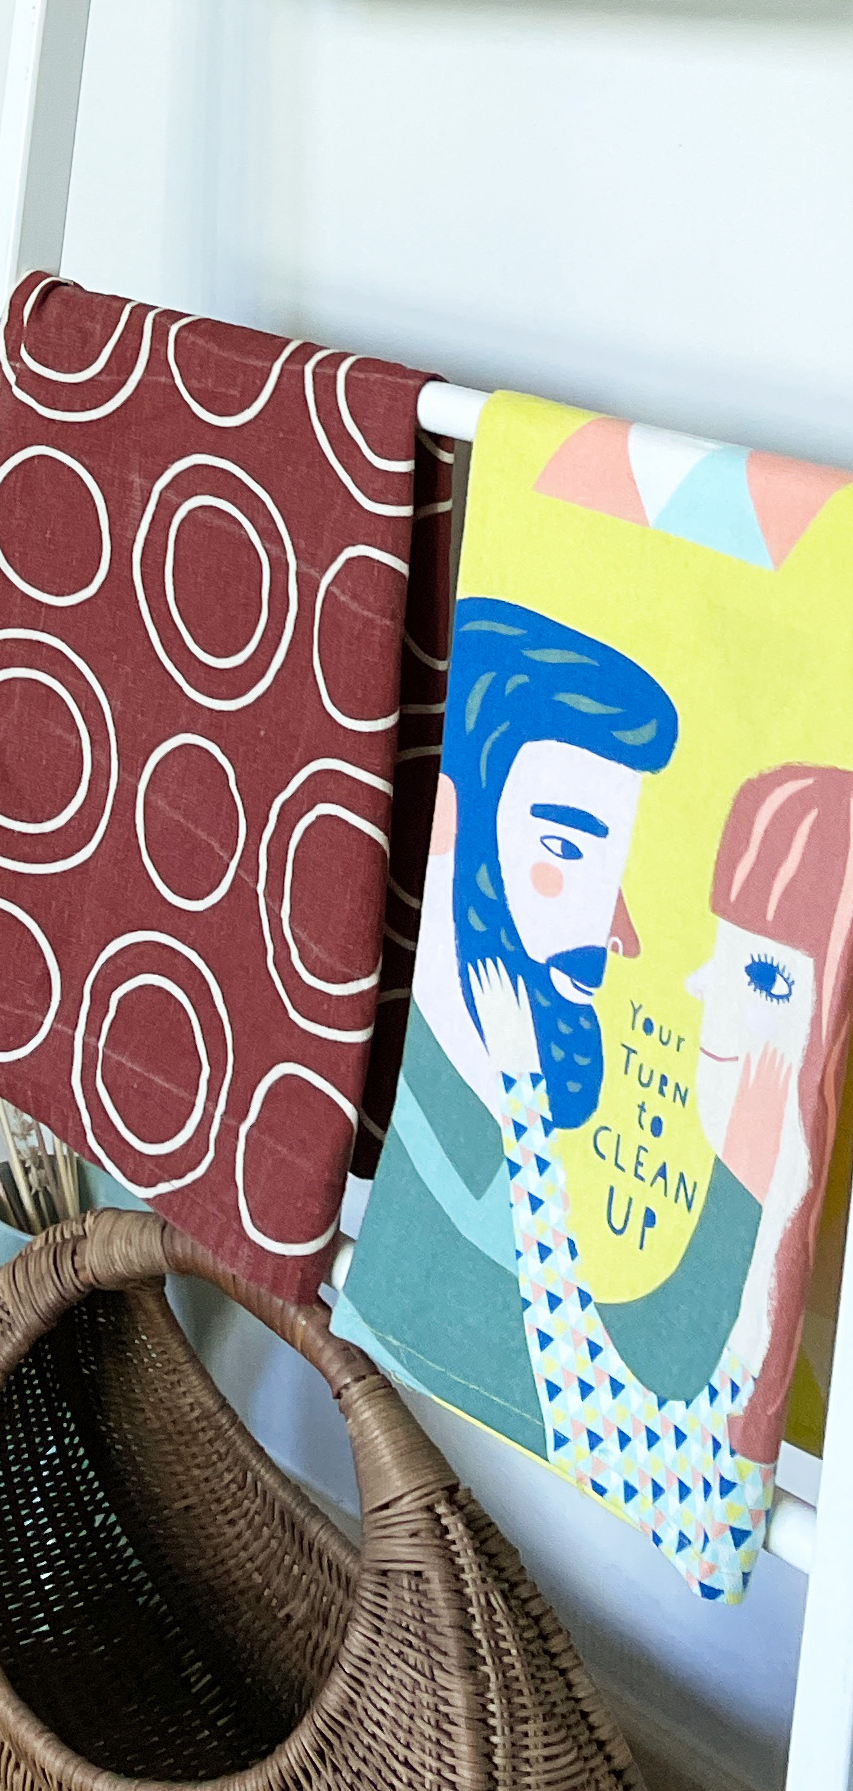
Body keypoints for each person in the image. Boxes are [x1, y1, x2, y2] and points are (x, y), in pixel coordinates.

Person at [336, 601, 756, 1444]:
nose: (619, 934)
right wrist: (750, 1155)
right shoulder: (428, 1136)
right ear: (447, 823)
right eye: (566, 848)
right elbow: (639, 1371)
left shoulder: (461, 1129)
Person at [456, 765, 853, 1600]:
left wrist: (526, 1107)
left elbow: (587, 1414)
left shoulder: (744, 1323)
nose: (697, 981)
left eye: (764, 976)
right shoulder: (733, 1253)